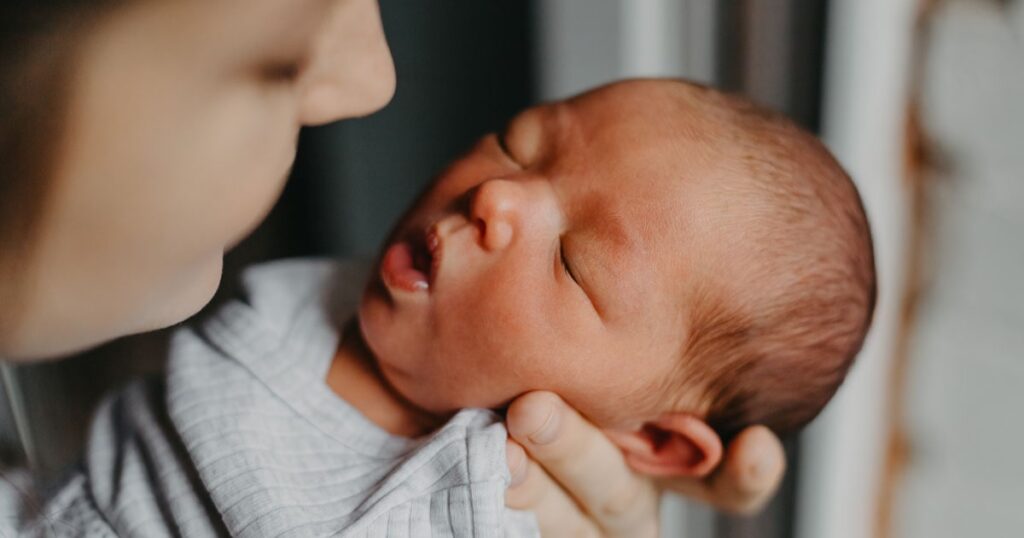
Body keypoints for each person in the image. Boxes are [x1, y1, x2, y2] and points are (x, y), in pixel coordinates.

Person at [0, 1, 785, 535]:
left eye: (574, 263)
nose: (497, 195)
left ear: (661, 444)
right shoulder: (328, 304)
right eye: (514, 144)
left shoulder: (478, 502)